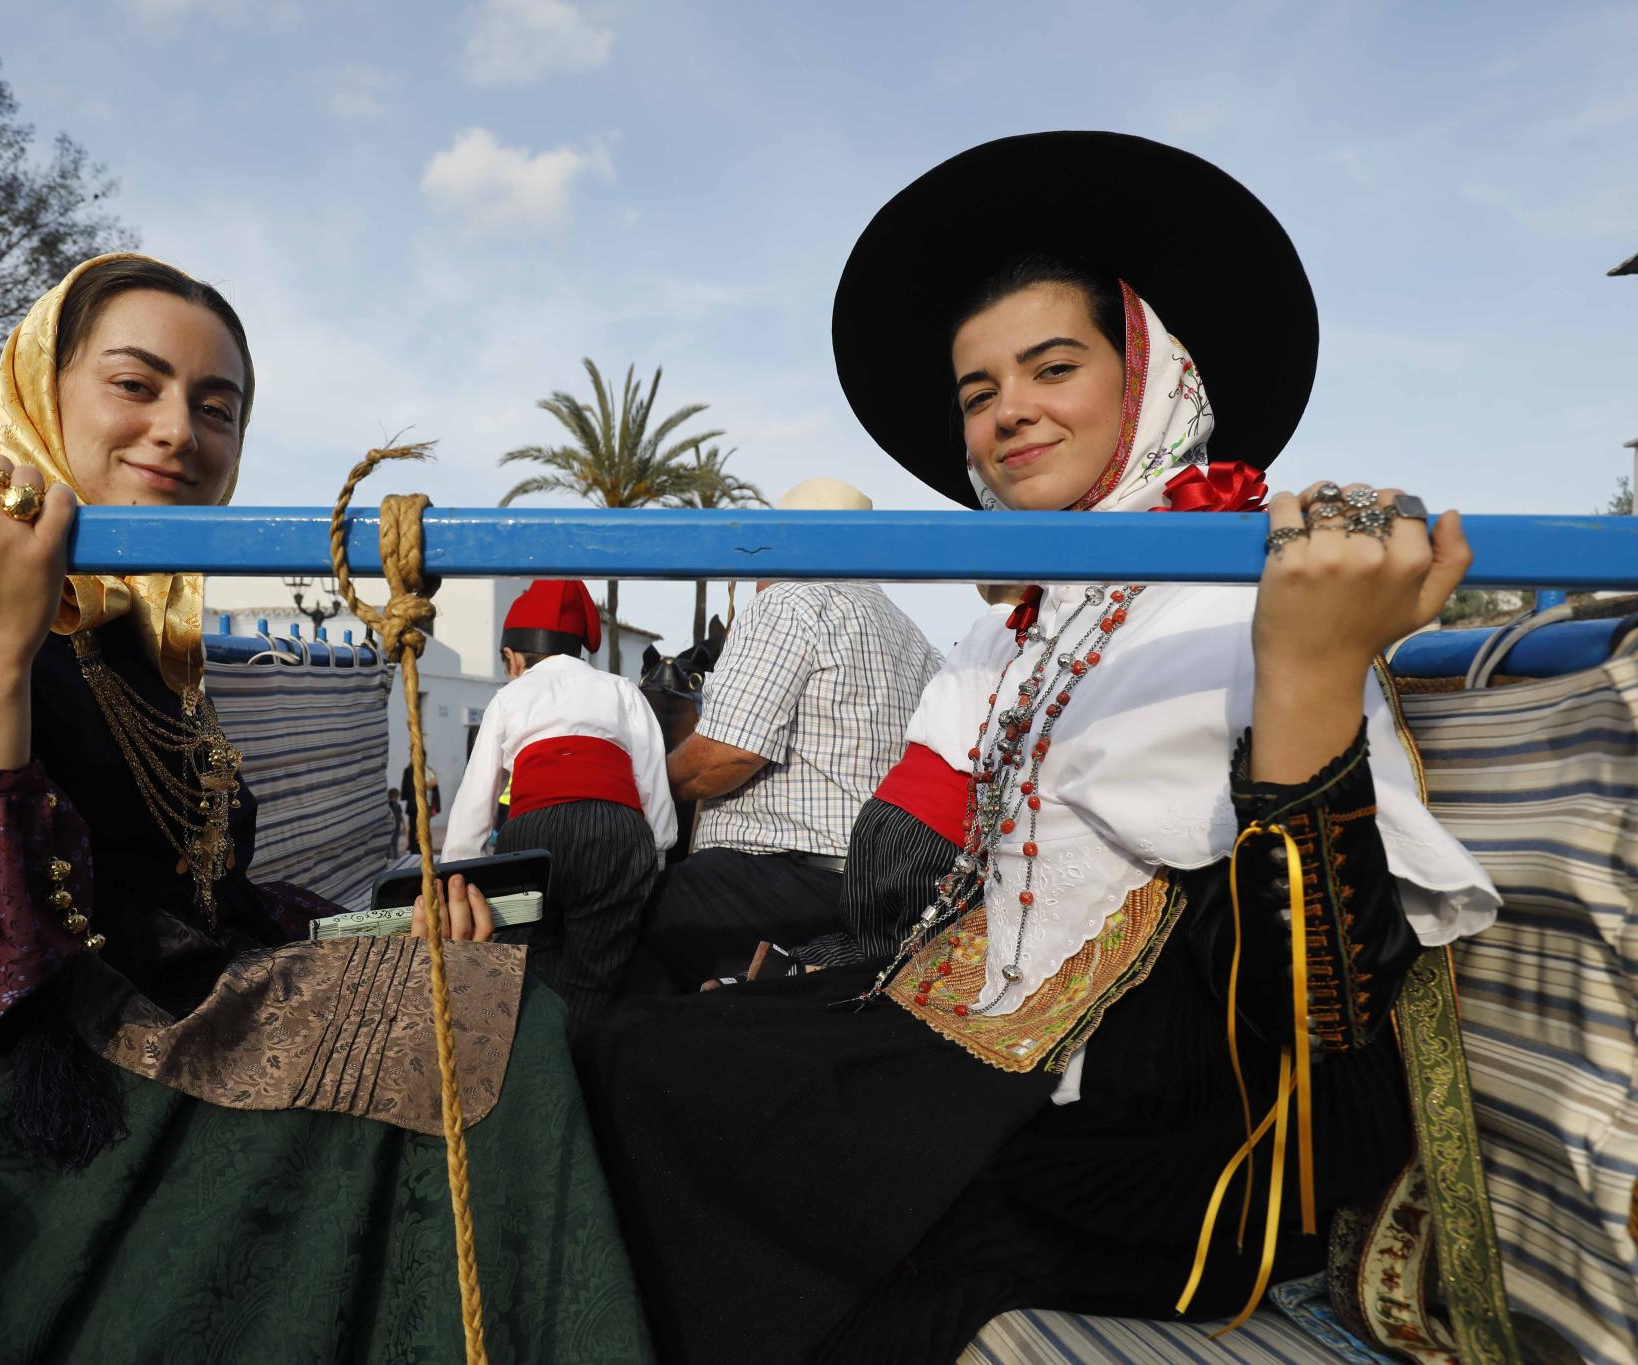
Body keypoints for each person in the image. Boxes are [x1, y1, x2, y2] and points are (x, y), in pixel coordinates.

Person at [0, 254, 652, 1361]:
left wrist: (381, 928)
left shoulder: (132, 648)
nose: (179, 431)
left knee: (481, 1001)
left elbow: (183, 900)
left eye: (216, 408)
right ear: (41, 393)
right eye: (135, 385)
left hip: (120, 1018)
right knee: (487, 1036)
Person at [577, 132, 1500, 1363]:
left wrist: (1309, 671)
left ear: (1147, 379)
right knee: (640, 1045)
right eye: (977, 393)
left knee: (674, 1089)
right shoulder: (1038, 619)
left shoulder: (1241, 594)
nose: (1007, 409)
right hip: (1013, 1036)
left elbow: (1314, 1011)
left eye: (1051, 367)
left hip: (1176, 1123)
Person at [622, 476, 942, 991]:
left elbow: (724, 757)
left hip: (787, 877)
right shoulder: (913, 635)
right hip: (879, 886)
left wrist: (645, 786)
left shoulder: (790, 601)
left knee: (623, 920)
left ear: (780, 544)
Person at [443, 580, 677, 1023]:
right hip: (616, 833)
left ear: (513, 657)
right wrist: (657, 855)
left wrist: (458, 871)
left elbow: (477, 795)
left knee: (523, 961)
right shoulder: (621, 689)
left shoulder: (509, 696)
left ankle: (536, 1040)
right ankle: (584, 1043)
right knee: (595, 973)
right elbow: (652, 779)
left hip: (532, 835)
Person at [400, 759, 440, 855]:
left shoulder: (426, 770)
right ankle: (415, 847)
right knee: (416, 828)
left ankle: (417, 847)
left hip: (422, 805)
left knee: (418, 828)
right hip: (418, 805)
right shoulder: (411, 771)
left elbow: (434, 785)